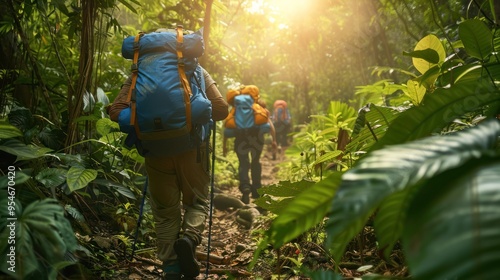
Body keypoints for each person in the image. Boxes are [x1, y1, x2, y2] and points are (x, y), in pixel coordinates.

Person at [108, 68, 228, 279]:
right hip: (193, 149)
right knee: (197, 202)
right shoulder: (196, 69)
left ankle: (171, 268)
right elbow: (221, 109)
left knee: (164, 211)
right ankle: (189, 239)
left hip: (155, 151)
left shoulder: (140, 72)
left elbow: (116, 111)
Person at [223, 99, 277, 204]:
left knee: (243, 163)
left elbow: (227, 126)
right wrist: (274, 140)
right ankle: (256, 191)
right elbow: (271, 127)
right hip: (257, 140)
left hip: (240, 139)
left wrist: (224, 146)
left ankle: (245, 188)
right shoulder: (260, 110)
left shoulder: (237, 110)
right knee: (255, 162)